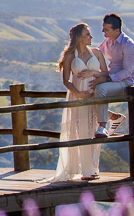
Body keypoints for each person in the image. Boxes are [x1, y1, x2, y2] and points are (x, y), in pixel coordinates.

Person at [42, 22, 107, 182]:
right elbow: (66, 80)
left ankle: (92, 168)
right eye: (87, 34)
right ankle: (85, 170)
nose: (91, 37)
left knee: (94, 130)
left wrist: (93, 73)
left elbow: (106, 74)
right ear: (79, 38)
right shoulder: (70, 56)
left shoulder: (97, 53)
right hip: (78, 96)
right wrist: (78, 94)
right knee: (81, 131)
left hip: (94, 94)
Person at [94, 13, 134, 138]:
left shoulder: (129, 45)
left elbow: (127, 72)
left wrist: (107, 79)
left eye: (106, 29)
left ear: (117, 30)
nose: (103, 31)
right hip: (110, 79)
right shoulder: (107, 42)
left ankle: (102, 128)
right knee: (87, 89)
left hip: (125, 83)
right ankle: (114, 117)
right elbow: (96, 54)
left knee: (100, 89)